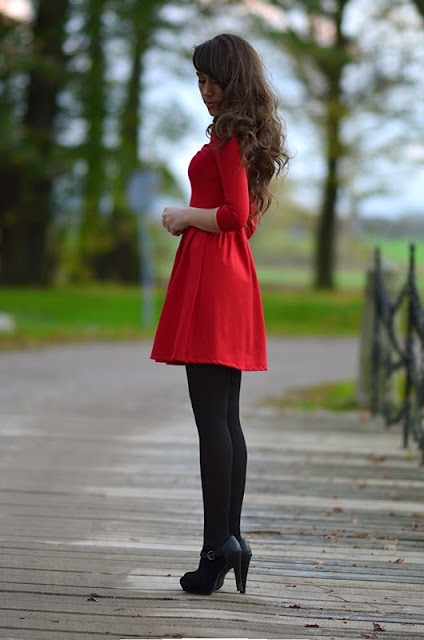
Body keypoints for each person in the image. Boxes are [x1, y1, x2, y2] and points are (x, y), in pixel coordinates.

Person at [150, 33, 289, 595]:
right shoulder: (246, 136)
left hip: (214, 276)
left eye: (212, 81)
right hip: (229, 273)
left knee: (213, 419)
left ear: (234, 80)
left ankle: (217, 548)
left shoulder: (230, 136)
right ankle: (230, 539)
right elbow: (246, 220)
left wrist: (187, 215)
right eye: (199, 81)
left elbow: (233, 215)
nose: (205, 91)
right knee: (226, 417)